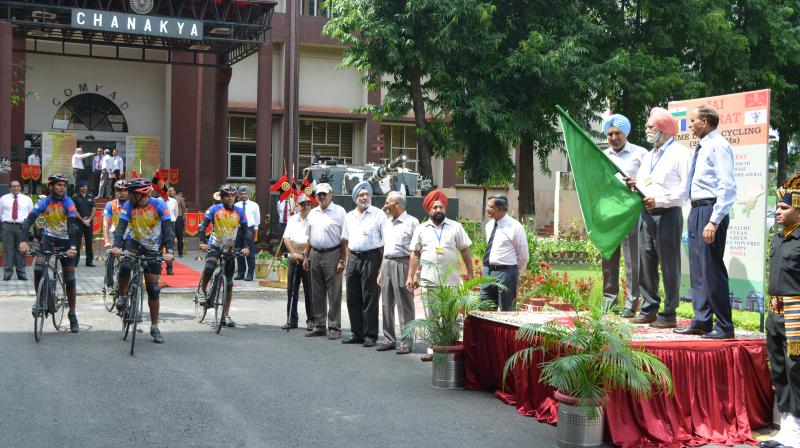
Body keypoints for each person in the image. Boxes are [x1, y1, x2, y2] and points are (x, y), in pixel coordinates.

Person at [673, 105, 738, 340]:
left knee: (711, 269)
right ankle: (702, 320)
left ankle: (724, 326)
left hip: (710, 210)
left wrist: (714, 220)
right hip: (697, 209)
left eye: (693, 121)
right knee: (698, 270)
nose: (690, 125)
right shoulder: (701, 147)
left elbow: (727, 187)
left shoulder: (718, 146)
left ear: (706, 121)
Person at [625, 107, 690, 329]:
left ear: (662, 130)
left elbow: (684, 190)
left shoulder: (680, 154)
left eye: (650, 127)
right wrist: (636, 184)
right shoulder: (650, 155)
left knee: (669, 265)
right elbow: (647, 183)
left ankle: (669, 313)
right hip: (646, 215)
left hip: (668, 214)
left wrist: (659, 201)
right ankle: (649, 309)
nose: (646, 130)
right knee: (646, 262)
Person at [406, 190, 474, 361]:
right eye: (435, 207)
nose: (438, 209)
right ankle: (433, 350)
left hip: (450, 281)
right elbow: (414, 254)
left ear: (445, 209)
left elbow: (465, 250)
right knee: (432, 316)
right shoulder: (422, 229)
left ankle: (450, 349)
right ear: (429, 210)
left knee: (451, 316)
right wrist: (411, 276)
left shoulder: (455, 227)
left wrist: (470, 272)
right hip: (429, 281)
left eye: (441, 207)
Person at [111, 178, 174, 344]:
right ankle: (123, 296)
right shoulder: (129, 205)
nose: (127, 195)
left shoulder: (159, 205)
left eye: (131, 193)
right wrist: (117, 245)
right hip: (134, 242)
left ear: (141, 194)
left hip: (154, 247)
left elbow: (168, 229)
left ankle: (154, 327)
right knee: (125, 265)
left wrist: (170, 250)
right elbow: (121, 227)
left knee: (153, 289)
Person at [763, 173, 800, 447]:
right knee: (779, 368)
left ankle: (796, 427)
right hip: (774, 313)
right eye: (777, 207)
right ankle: (787, 423)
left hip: (796, 314)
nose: (778, 211)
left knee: (795, 368)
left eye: (784, 207)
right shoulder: (776, 239)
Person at [19, 174, 81, 333]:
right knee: (38, 268)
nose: (62, 188)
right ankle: (40, 301)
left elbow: (73, 227)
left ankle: (72, 314)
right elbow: (28, 221)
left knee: (70, 279)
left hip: (67, 241)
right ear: (51, 186)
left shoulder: (69, 202)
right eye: (59, 185)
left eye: (64, 185)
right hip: (49, 238)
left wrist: (73, 247)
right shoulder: (44, 202)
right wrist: (23, 240)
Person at [602, 114, 647, 317]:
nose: (613, 137)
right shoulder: (602, 155)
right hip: (610, 213)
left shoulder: (641, 154)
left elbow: (649, 181)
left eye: (617, 133)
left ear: (625, 133)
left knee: (632, 260)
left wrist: (637, 182)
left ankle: (632, 304)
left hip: (631, 212)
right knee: (609, 258)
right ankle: (609, 304)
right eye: (609, 133)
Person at [197, 184, 252, 328]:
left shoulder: (240, 212)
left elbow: (246, 231)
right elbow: (203, 227)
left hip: (230, 249)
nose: (230, 198)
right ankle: (203, 293)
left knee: (228, 283)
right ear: (222, 197)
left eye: (233, 196)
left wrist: (246, 246)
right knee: (209, 267)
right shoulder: (214, 209)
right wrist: (202, 242)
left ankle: (225, 315)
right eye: (227, 196)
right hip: (214, 246)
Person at [341, 181, 385, 347]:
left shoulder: (378, 215)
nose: (365, 197)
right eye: (361, 195)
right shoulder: (349, 216)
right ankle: (356, 333)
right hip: (353, 259)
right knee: (353, 298)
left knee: (369, 298)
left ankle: (370, 335)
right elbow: (345, 240)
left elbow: (385, 242)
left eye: (367, 194)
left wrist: (381, 266)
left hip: (371, 258)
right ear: (355, 198)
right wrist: (347, 260)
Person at [302, 182, 347, 340]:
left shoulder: (339, 211)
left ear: (331, 194)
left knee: (334, 292)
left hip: (333, 254)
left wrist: (343, 258)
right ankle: (320, 325)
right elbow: (309, 236)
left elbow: (344, 238)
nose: (322, 197)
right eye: (319, 194)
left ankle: (334, 326)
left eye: (324, 194)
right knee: (317, 292)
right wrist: (306, 256)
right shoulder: (313, 213)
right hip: (315, 254)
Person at [378, 191, 419, 354]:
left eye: (388, 202)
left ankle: (407, 341)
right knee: (386, 303)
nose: (385, 205)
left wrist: (414, 273)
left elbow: (417, 250)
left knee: (405, 305)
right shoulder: (387, 223)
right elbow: (384, 248)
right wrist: (381, 270)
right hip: (387, 262)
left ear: (398, 204)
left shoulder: (412, 222)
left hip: (403, 263)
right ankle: (389, 339)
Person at [480, 194, 529, 311]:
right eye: (487, 206)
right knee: (485, 310)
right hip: (488, 272)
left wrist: (515, 272)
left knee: (506, 311)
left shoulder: (515, 227)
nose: (487, 209)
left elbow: (523, 256)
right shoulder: (489, 225)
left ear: (500, 209)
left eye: (490, 207)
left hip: (506, 273)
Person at [282, 193, 314, 331]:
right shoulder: (293, 219)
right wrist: (293, 253)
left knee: (309, 290)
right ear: (298, 206)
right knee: (292, 290)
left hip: (307, 256)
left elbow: (312, 239)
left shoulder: (314, 219)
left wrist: (304, 255)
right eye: (303, 204)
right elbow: (286, 238)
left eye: (308, 204)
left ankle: (311, 320)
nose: (306, 206)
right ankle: (291, 320)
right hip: (293, 255)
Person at [1, 180, 34, 280]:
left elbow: (31, 213)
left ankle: (21, 273)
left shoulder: (27, 199)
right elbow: (0, 212)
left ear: (20, 187)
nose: (15, 188)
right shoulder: (3, 199)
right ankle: (8, 273)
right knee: (8, 250)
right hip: (7, 226)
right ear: (10, 188)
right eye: (13, 186)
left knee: (21, 249)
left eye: (17, 186)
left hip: (22, 227)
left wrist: (27, 227)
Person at [102, 180, 127, 290]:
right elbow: (106, 223)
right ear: (115, 192)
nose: (122, 193)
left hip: (129, 235)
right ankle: (109, 283)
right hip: (114, 234)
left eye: (125, 190)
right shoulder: (110, 205)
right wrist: (107, 241)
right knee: (110, 254)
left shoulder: (133, 204)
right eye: (118, 190)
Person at [234, 186, 260, 281]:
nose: (243, 195)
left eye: (245, 194)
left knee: (250, 253)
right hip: (238, 229)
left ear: (248, 194)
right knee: (238, 251)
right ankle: (241, 273)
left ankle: (250, 274)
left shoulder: (254, 205)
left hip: (249, 229)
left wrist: (256, 233)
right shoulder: (236, 205)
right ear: (239, 195)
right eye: (242, 194)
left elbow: (257, 219)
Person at [71, 180, 96, 267]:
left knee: (89, 242)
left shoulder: (91, 196)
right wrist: (82, 220)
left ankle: (89, 262)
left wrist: (89, 219)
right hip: (79, 222)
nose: (85, 187)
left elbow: (94, 209)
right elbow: (74, 211)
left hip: (89, 222)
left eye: (86, 186)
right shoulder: (75, 197)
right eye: (83, 186)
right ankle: (75, 261)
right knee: (77, 242)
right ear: (79, 187)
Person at [164, 187, 179, 275]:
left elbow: (176, 214)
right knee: (158, 247)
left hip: (170, 224)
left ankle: (169, 268)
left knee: (169, 247)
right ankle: (157, 267)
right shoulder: (157, 201)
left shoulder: (174, 201)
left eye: (167, 191)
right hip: (160, 225)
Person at [174, 188, 187, 257]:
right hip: (171, 219)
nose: (170, 192)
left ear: (174, 191)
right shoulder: (167, 198)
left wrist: (183, 217)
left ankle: (180, 253)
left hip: (178, 218)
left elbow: (184, 208)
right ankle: (169, 252)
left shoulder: (180, 199)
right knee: (170, 236)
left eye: (172, 191)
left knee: (180, 237)